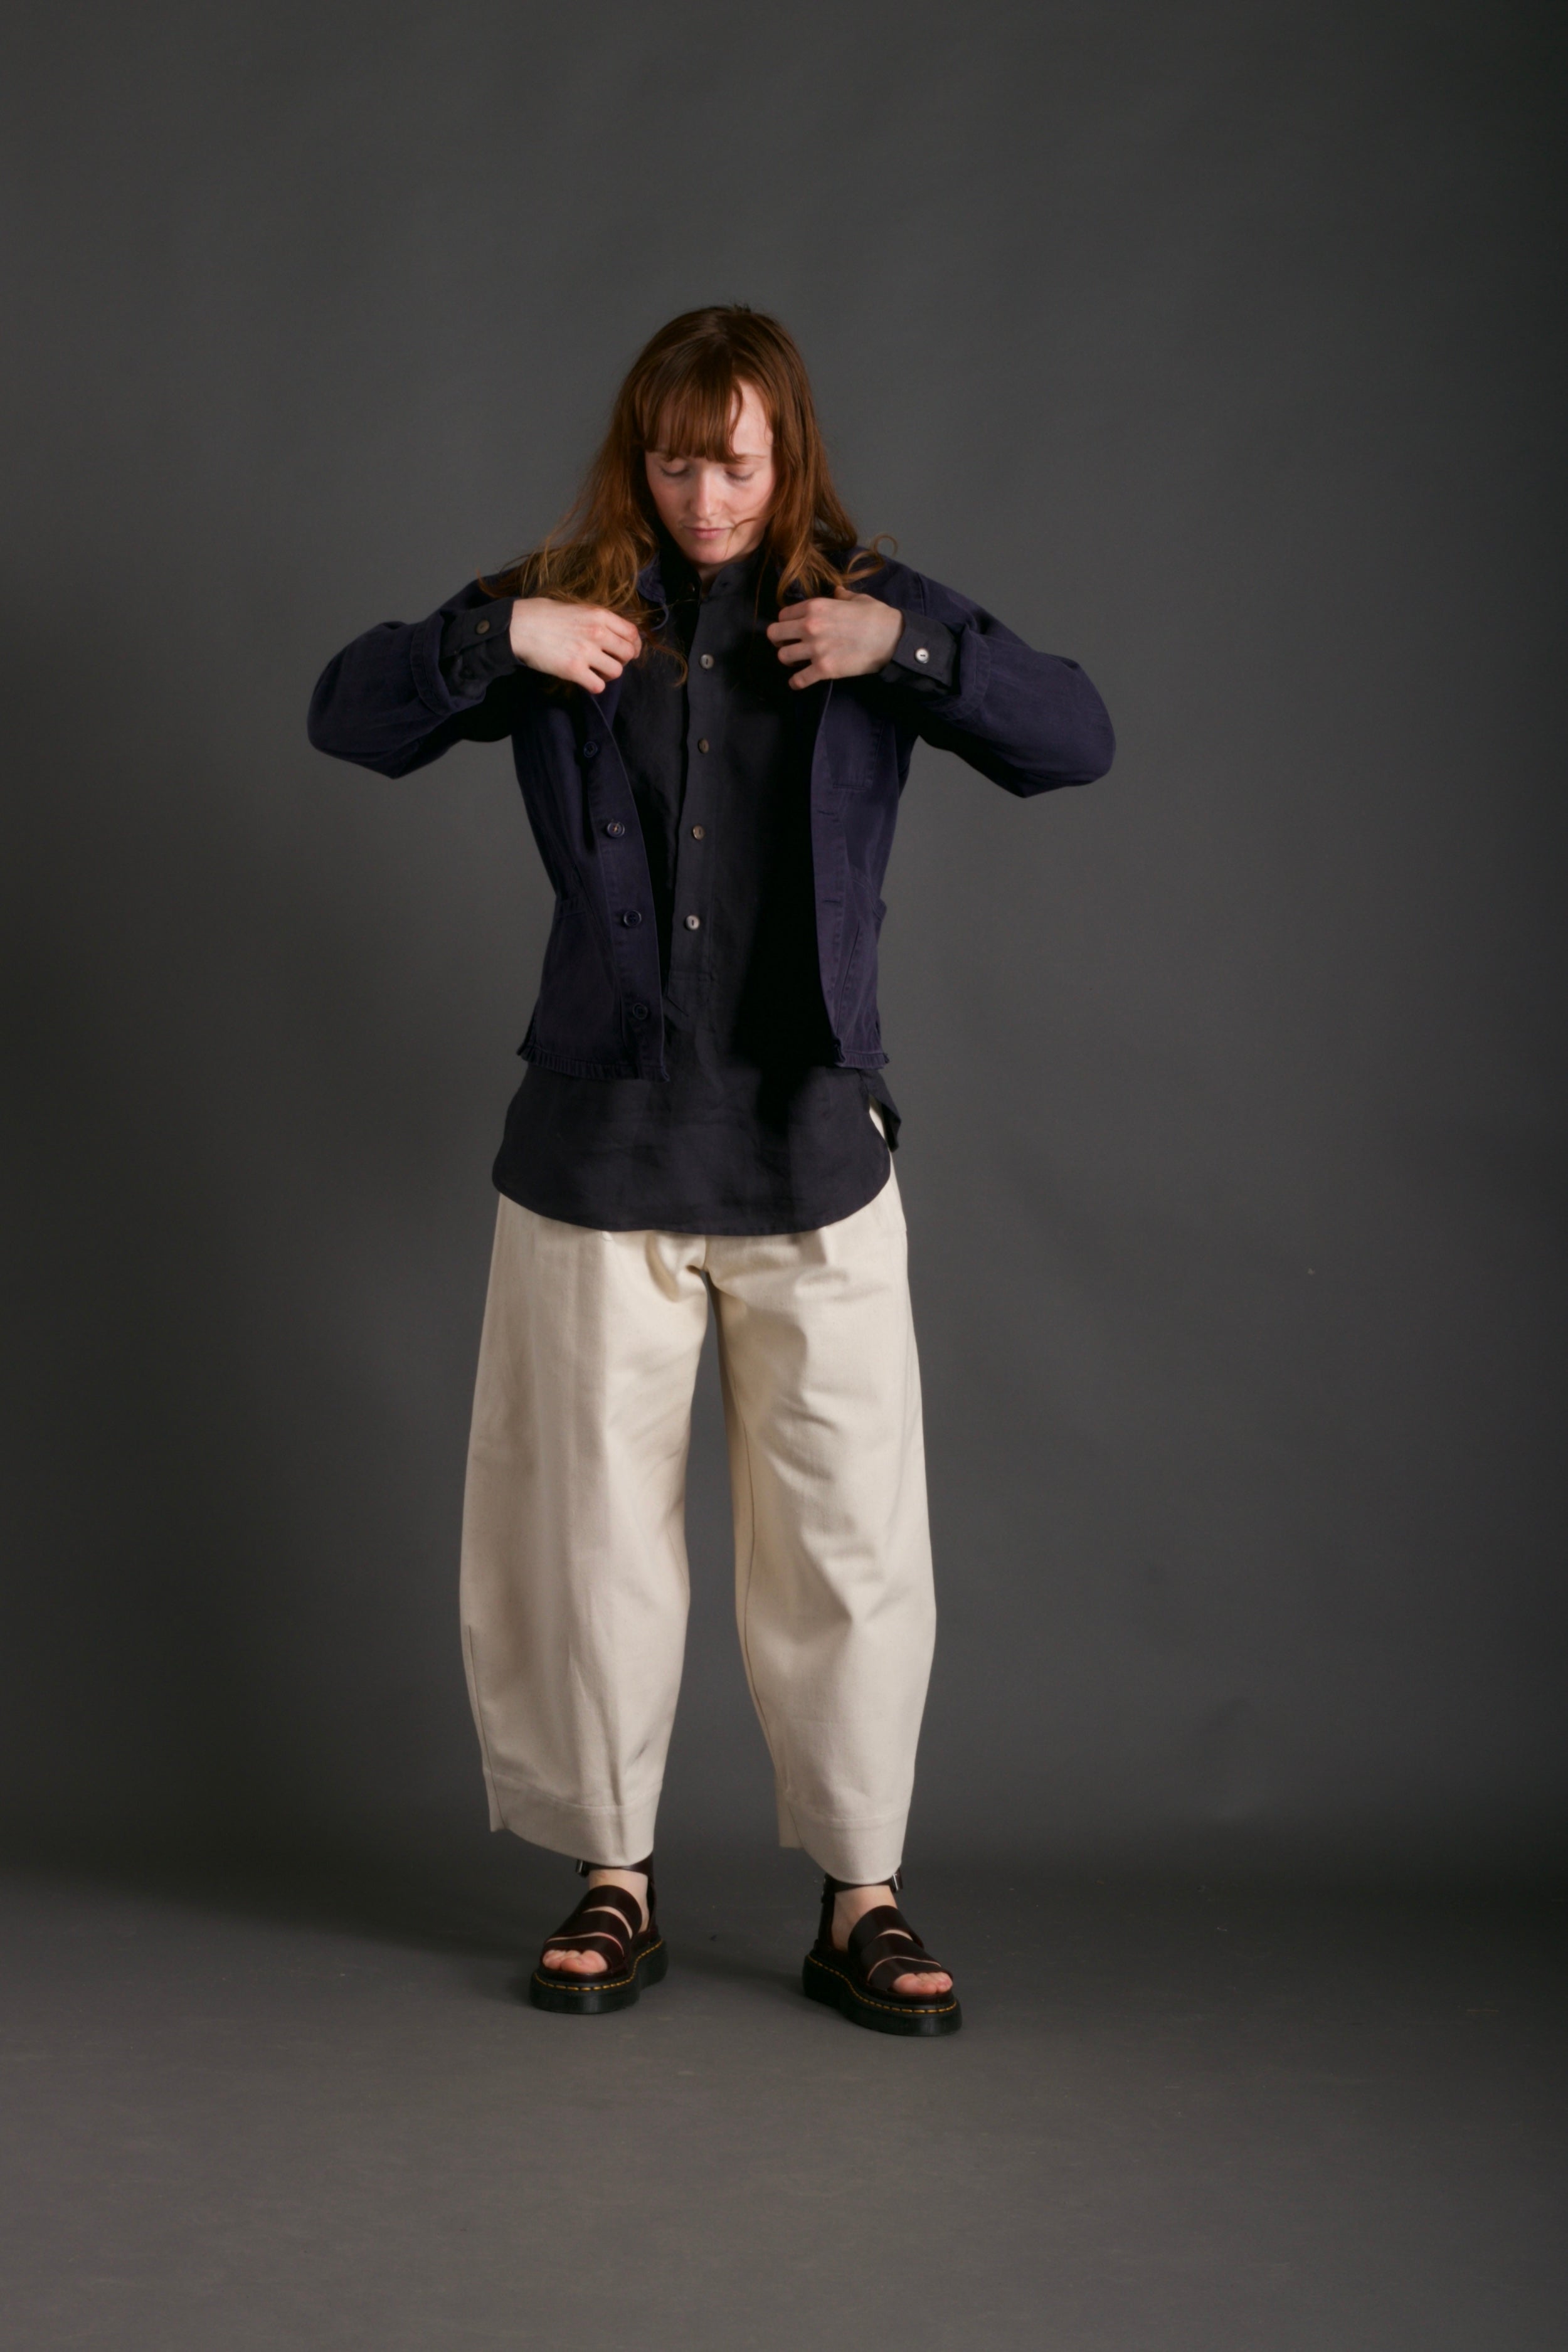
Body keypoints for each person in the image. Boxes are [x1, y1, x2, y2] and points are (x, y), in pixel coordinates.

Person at [307, 305, 1113, 2036]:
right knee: (585, 1542)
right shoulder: (565, 604)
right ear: (638, 453)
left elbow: (1075, 739)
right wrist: (490, 637)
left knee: (848, 1544)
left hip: (811, 1148)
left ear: (787, 449)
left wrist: (911, 653)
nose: (703, 495)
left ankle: (861, 1900)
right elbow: (344, 717)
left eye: (734, 460)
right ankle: (613, 1879)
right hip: (595, 1149)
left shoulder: (870, 604)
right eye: (673, 459)